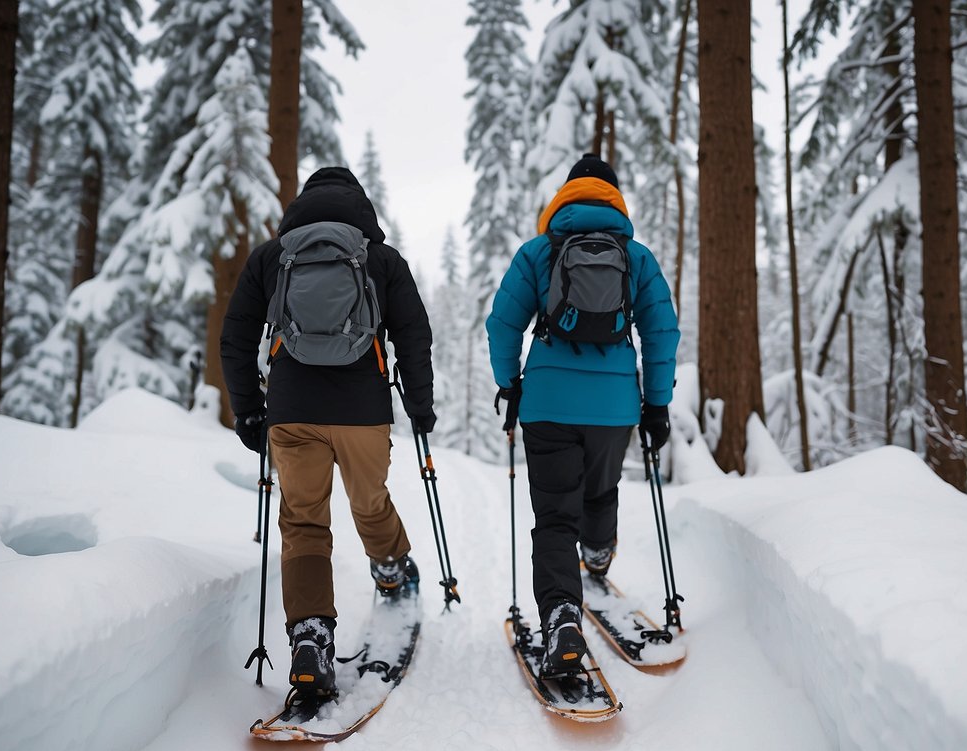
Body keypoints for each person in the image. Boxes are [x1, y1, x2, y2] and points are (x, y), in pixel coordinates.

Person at [221, 167, 435, 698]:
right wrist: (421, 408)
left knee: (303, 521)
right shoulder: (381, 259)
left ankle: (311, 637)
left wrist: (250, 410)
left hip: (291, 409)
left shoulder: (273, 258)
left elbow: (236, 336)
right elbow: (413, 335)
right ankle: (389, 570)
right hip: (363, 408)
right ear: (359, 206)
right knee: (369, 501)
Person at [486, 153, 679, 676]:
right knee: (600, 492)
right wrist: (657, 404)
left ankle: (563, 620)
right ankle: (596, 558)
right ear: (615, 200)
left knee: (553, 517)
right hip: (615, 409)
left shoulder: (537, 252)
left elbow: (502, 325)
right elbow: (661, 332)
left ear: (564, 198)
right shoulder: (636, 257)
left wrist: (511, 385)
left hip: (547, 404)